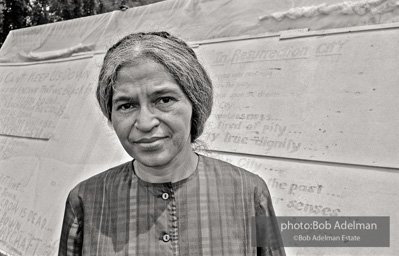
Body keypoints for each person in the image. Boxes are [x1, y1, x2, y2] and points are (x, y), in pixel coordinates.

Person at [58, 31, 285, 256]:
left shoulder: (251, 194)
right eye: (126, 105)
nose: (145, 123)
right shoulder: (85, 202)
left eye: (164, 100)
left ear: (195, 104)